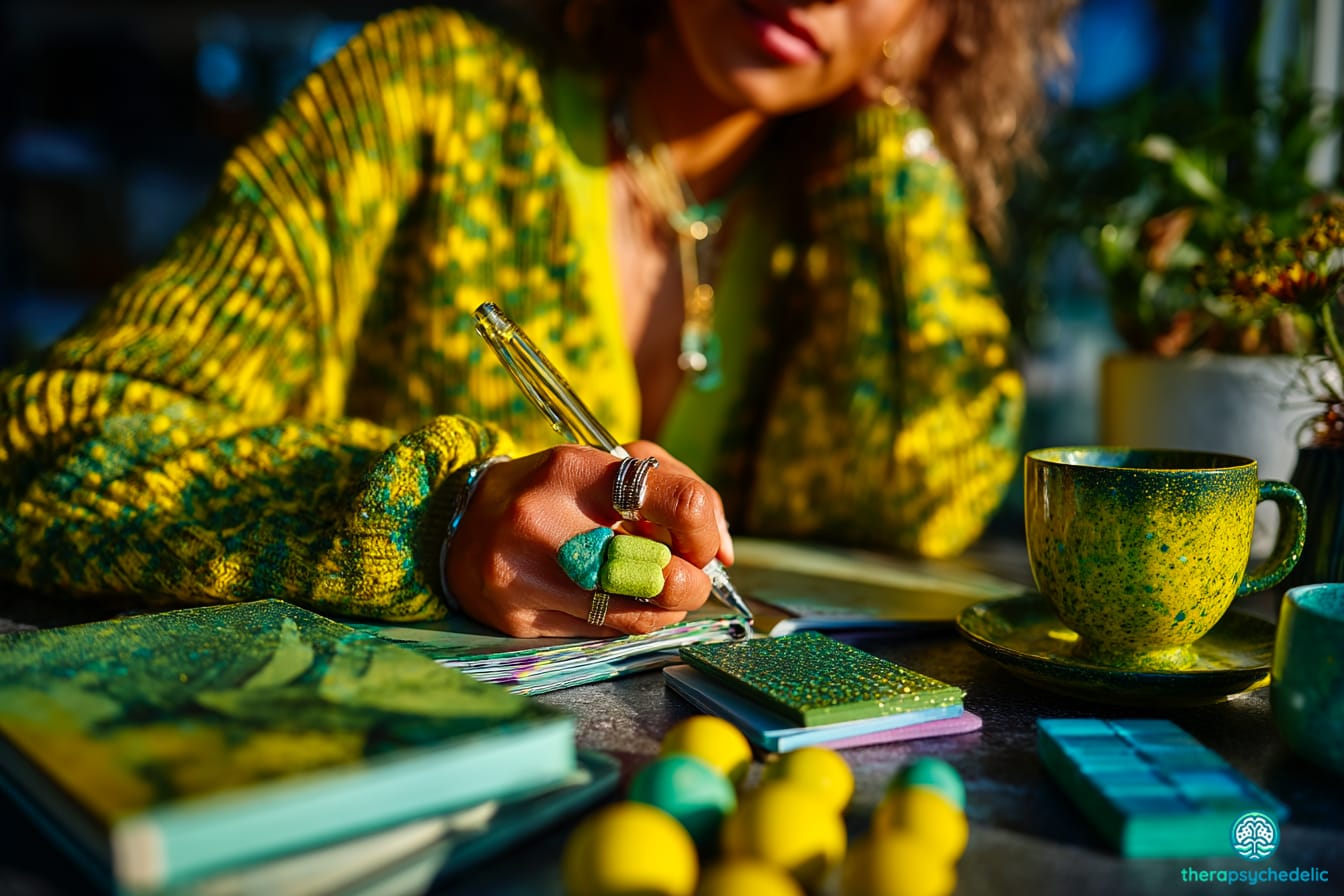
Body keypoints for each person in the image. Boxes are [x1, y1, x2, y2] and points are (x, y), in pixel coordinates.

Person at [0, 0, 1073, 637]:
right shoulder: (423, 100)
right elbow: (46, 445)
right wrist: (435, 518)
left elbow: (922, 497)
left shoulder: (838, 222)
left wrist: (890, 127)